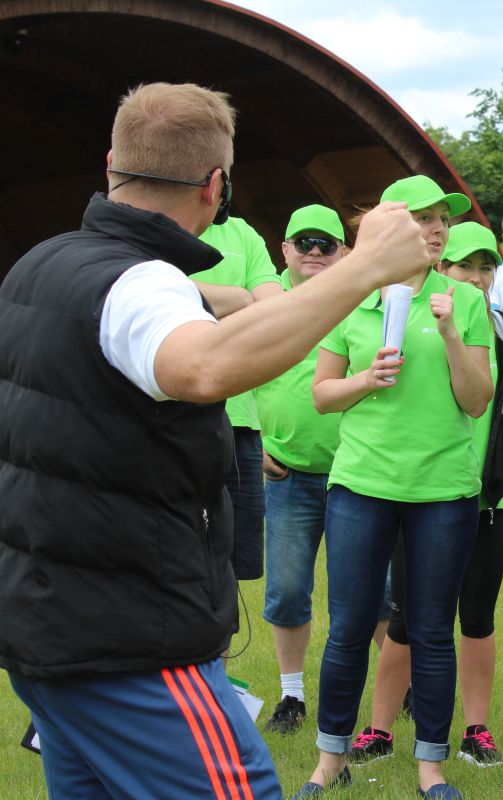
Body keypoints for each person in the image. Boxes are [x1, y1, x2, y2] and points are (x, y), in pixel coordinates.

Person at [0, 81, 430, 800]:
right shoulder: (138, 286)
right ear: (216, 186)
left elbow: (171, 327)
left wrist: (235, 299)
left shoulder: (43, 263)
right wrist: (365, 268)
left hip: (45, 628)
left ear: (111, 163)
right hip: (132, 642)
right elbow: (203, 366)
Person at [295, 175, 492, 800]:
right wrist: (365, 380)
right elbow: (322, 395)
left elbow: (477, 399)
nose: (436, 230)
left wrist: (453, 334)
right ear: (390, 228)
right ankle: (330, 761)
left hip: (443, 490)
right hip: (362, 485)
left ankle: (431, 767)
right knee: (349, 628)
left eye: (443, 220)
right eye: (423, 219)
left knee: (431, 630)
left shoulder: (463, 301)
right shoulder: (350, 298)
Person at [353, 220, 503, 770]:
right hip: (429, 492)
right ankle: (379, 729)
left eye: (485, 267)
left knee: (477, 616)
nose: (476, 278)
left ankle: (476, 729)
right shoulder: (411, 319)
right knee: (407, 616)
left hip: (489, 496)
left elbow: (501, 405)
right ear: (441, 269)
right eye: (463, 266)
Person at [256, 204, 390, 735]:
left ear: (345, 252)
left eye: (326, 244)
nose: (314, 252)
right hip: (288, 473)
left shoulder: (364, 302)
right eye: (304, 242)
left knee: (376, 591)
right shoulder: (266, 308)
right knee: (288, 590)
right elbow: (234, 376)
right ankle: (291, 696)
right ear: (284, 249)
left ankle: (398, 690)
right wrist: (252, 441)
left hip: (356, 474)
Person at [196, 215, 283, 583]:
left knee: (234, 563)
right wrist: (243, 297)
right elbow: (150, 293)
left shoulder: (243, 232)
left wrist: (198, 302)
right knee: (179, 549)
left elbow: (274, 312)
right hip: (174, 417)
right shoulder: (156, 223)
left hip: (242, 426)